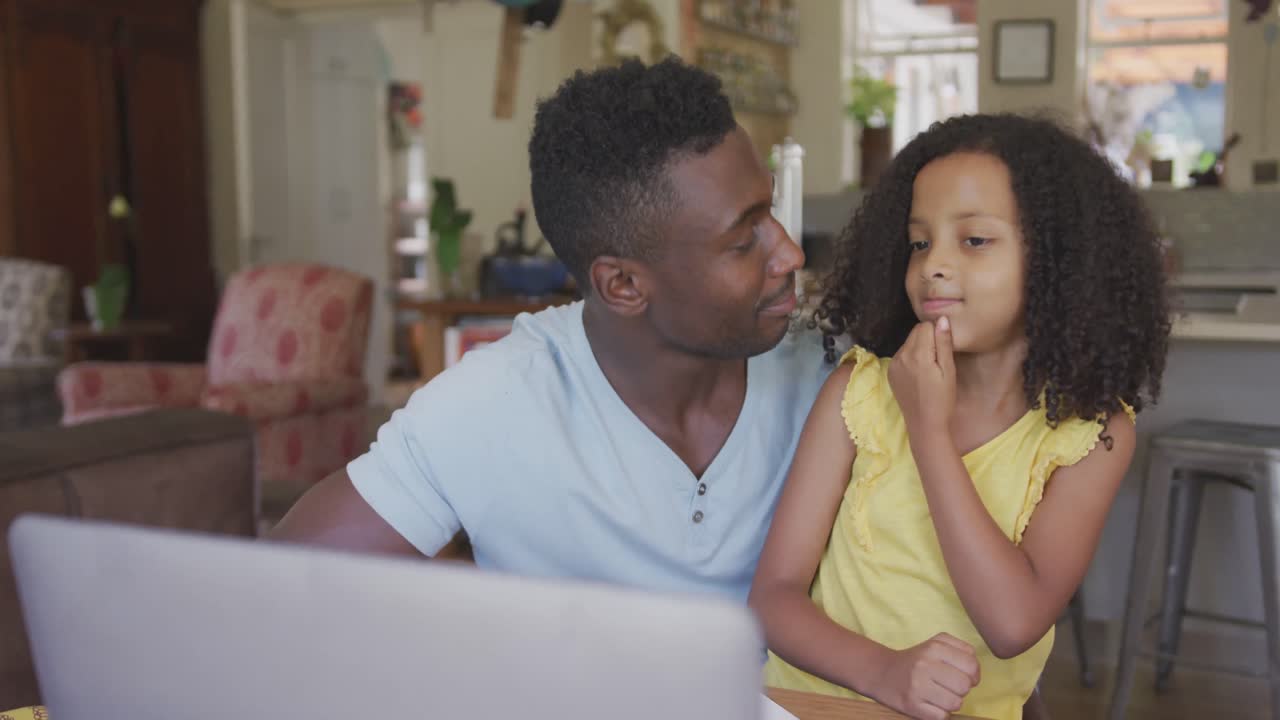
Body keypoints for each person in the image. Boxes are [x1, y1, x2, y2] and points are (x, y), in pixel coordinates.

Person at [269, 56, 829, 605]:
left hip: (810, 702)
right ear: (623, 286)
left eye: (770, 209)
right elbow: (280, 591)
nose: (790, 252)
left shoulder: (834, 372)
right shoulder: (498, 400)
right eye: (741, 239)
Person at [749, 113, 1171, 720]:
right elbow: (774, 597)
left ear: (1057, 259)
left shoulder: (1092, 435)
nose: (933, 265)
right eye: (920, 242)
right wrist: (885, 674)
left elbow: (1011, 623)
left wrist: (929, 429)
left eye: (974, 240)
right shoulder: (860, 390)